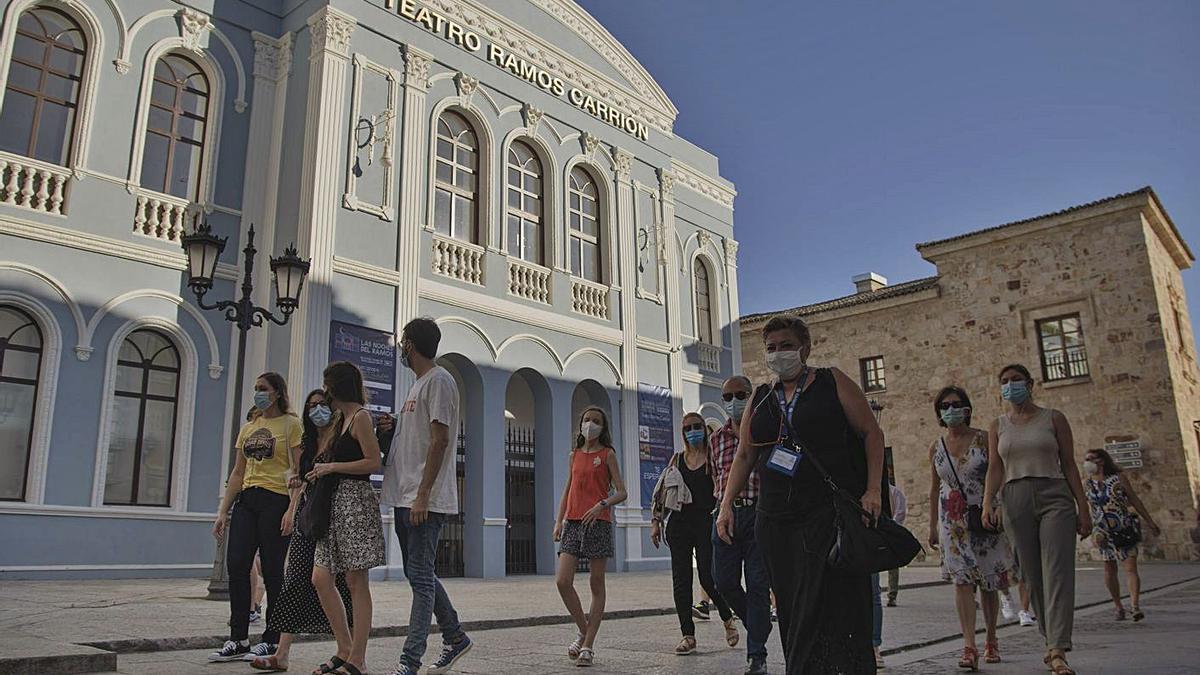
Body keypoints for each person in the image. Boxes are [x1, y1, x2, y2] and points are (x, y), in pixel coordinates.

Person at [717, 315, 884, 674]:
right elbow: (745, 454)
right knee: (793, 605)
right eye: (772, 348)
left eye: (787, 345)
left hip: (826, 513)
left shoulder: (831, 381)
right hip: (776, 519)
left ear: (805, 348)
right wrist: (726, 504)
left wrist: (873, 490)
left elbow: (871, 432)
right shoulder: (761, 398)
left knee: (832, 601)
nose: (779, 354)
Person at [982, 364, 1090, 675]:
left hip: (1054, 492)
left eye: (1016, 380)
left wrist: (1083, 506)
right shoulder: (998, 425)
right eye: (1004, 381)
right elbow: (995, 468)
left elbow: (1069, 464)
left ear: (1030, 384)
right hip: (1015, 497)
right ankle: (1050, 638)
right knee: (1029, 574)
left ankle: (1057, 647)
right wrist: (988, 503)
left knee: (1057, 569)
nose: (1010, 385)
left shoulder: (1053, 418)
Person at [382, 318, 473, 675]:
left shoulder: (440, 381)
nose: (401, 348)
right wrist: (394, 425)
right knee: (418, 573)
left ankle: (410, 658)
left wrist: (423, 495)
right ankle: (455, 637)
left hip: (424, 501)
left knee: (420, 577)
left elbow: (440, 440)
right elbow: (418, 438)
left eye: (403, 341)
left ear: (411, 344)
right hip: (406, 496)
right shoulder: (416, 385)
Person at [249, 390, 355, 673]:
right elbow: (301, 481)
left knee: (338, 584)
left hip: (333, 516)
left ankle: (349, 650)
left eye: (322, 405)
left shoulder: (341, 440)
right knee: (294, 580)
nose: (316, 410)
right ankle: (281, 654)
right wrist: (292, 509)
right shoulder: (308, 442)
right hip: (309, 515)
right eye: (311, 406)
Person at [210, 374, 303, 662]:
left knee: (273, 570)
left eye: (263, 389)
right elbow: (238, 472)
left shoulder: (291, 424)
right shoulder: (250, 427)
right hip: (247, 500)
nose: (258, 394)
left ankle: (271, 639)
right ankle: (238, 638)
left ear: (277, 393)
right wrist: (223, 511)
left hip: (276, 500)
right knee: (237, 564)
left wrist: (292, 509)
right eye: (255, 389)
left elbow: (298, 474)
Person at [928, 385, 1019, 670]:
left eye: (955, 404)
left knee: (989, 581)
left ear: (967, 408)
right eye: (944, 406)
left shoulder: (983, 438)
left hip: (984, 516)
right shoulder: (936, 447)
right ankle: (969, 645)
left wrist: (996, 505)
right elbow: (934, 489)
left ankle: (991, 637)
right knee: (962, 581)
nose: (950, 410)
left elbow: (998, 472)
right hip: (952, 523)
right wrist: (932, 527)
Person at [307, 362, 385, 675]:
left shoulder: (361, 417)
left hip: (355, 504)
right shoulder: (340, 420)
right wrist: (321, 469)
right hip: (334, 503)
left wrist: (333, 468)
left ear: (337, 387)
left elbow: (373, 462)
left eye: (327, 386)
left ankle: (358, 659)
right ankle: (344, 647)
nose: (324, 392)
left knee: (356, 580)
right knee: (321, 578)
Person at [651, 412, 738, 657]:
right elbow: (662, 491)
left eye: (697, 426)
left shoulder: (713, 459)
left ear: (705, 429)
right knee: (681, 581)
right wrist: (656, 521)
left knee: (708, 578)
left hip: (705, 522)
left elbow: (724, 489)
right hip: (679, 524)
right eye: (688, 427)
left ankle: (726, 616)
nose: (693, 431)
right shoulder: (677, 460)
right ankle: (687, 635)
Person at [553, 406, 628, 667]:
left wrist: (602, 505)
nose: (590, 424)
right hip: (573, 522)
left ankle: (588, 645)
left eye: (596, 421)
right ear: (581, 424)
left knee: (596, 584)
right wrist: (559, 521)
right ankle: (584, 629)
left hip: (598, 522)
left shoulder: (608, 455)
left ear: (603, 428)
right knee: (563, 581)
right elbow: (568, 488)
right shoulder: (573, 455)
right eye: (587, 420)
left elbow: (622, 491)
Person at [709, 375, 773, 675]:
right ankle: (757, 623)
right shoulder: (716, 439)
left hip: (759, 515)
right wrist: (722, 508)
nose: (733, 402)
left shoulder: (764, 432)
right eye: (728, 396)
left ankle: (756, 654)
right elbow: (716, 479)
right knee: (723, 582)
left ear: (751, 396)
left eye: (740, 394)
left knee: (759, 585)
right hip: (726, 516)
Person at [1084, 447, 1162, 621]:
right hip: (1103, 532)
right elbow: (1089, 507)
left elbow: (1134, 499)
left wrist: (1150, 521)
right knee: (1109, 568)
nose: (1087, 462)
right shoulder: (1088, 483)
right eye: (1086, 459)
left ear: (1101, 461)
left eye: (1090, 458)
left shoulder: (1118, 479)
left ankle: (1134, 606)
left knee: (1130, 568)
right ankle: (1118, 605)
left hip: (1123, 527)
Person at [885, 482, 908, 607]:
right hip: (876, 530)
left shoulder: (894, 492)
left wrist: (891, 526)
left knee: (892, 565)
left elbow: (900, 511)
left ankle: (892, 595)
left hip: (890, 530)